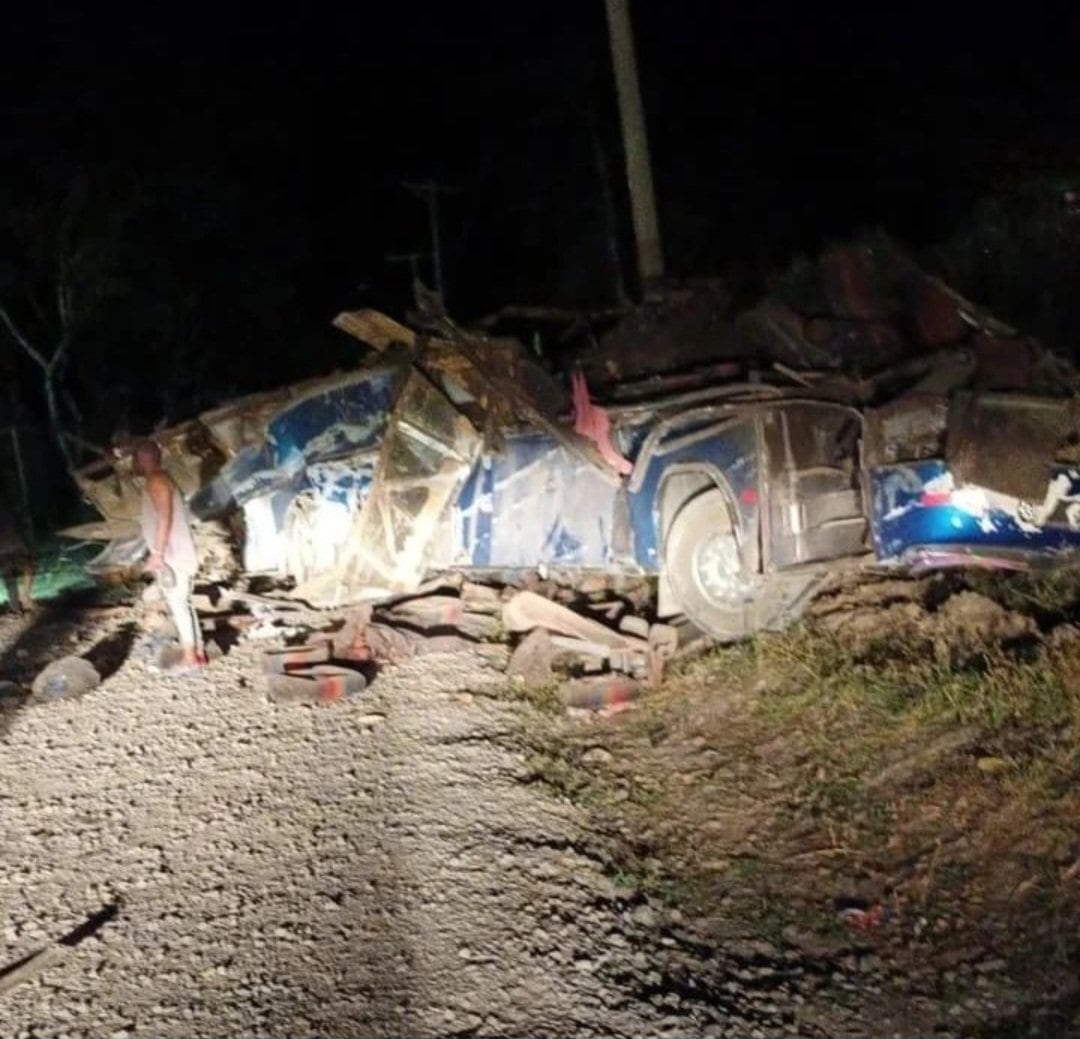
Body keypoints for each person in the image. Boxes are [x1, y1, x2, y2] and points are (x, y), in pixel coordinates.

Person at [133, 440, 204, 669]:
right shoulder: (160, 479)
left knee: (178, 603)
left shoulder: (157, 480)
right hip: (172, 551)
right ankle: (196, 653)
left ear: (143, 459)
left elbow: (165, 517)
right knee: (181, 602)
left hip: (172, 553)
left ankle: (191, 658)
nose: (133, 463)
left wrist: (158, 553)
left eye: (135, 458)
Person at [0, 497, 32, 614]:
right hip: (17, 546)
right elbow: (22, 525)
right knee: (28, 568)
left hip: (3, 549)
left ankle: (15, 607)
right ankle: (26, 598)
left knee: (9, 579)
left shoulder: (9, 508)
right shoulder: (10, 507)